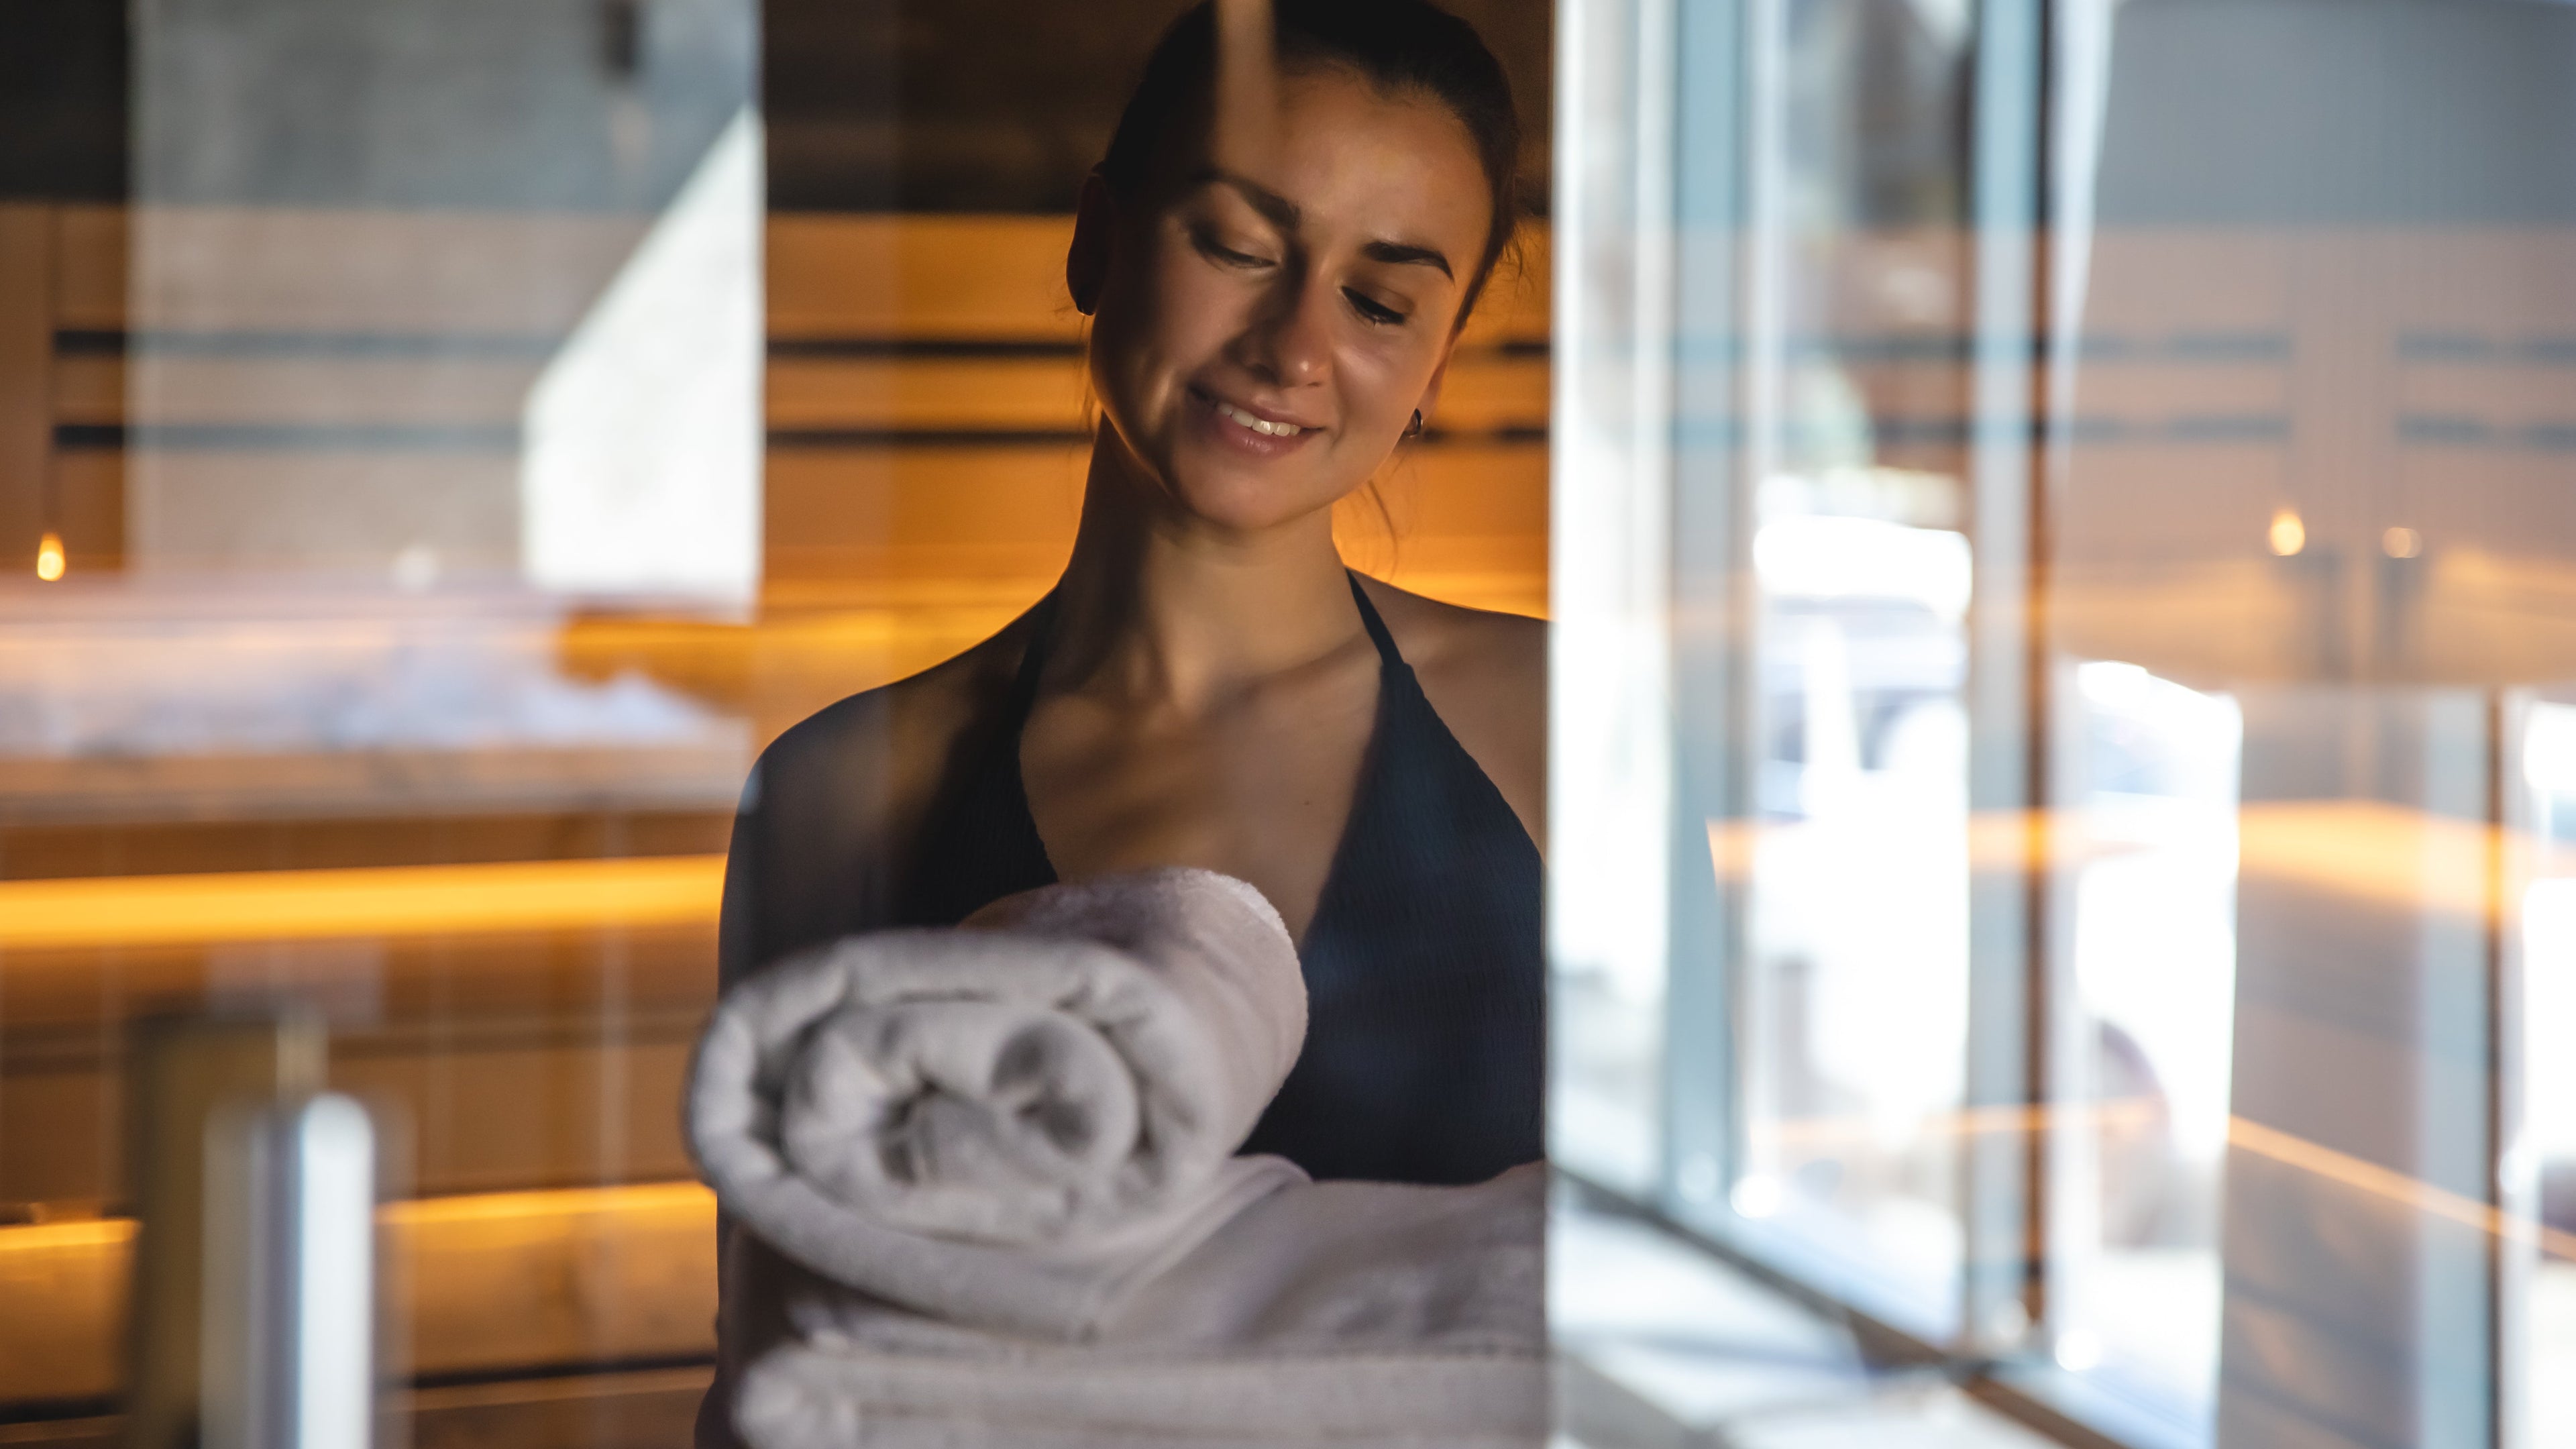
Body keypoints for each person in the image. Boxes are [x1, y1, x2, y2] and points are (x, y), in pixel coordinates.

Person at [719, 0, 1542, 1190]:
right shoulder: (839, 794)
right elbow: (788, 1332)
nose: (1295, 349)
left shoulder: (1565, 736)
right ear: (1098, 242)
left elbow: (1694, 1290)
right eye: (1239, 246)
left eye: (1379, 303)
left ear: (1435, 368)